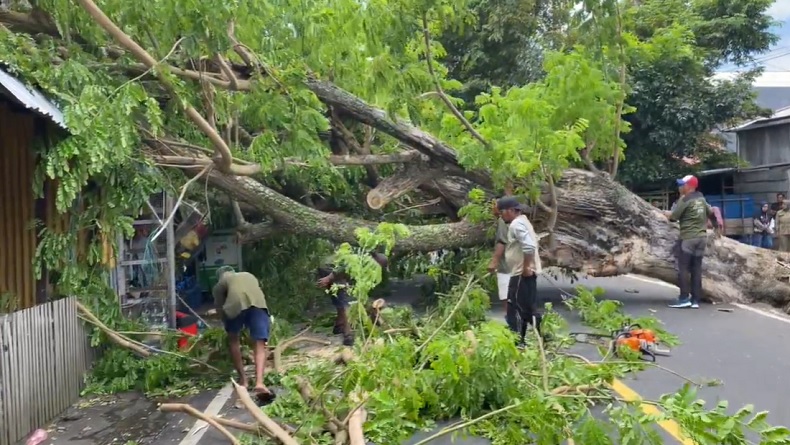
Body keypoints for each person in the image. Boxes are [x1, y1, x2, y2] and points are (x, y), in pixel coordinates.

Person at [212, 266, 273, 399]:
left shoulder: (219, 284)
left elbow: (220, 308)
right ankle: (259, 382)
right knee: (260, 343)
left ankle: (243, 381)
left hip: (235, 304)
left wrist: (227, 325)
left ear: (220, 275)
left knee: (233, 339)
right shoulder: (248, 274)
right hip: (258, 304)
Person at [664, 175, 719, 309]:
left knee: (683, 268)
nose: (679, 187)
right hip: (702, 238)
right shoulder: (701, 198)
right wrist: (716, 227)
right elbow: (711, 212)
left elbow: (674, 217)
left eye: (682, 184)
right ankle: (695, 300)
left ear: (688, 187)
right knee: (696, 269)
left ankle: (683, 298)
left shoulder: (685, 199)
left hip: (688, 238)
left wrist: (665, 213)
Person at [497, 197, 543, 347]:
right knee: (527, 307)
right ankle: (540, 334)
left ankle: (517, 341)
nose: (501, 216)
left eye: (502, 212)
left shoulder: (516, 225)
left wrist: (526, 267)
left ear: (510, 210)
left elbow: (529, 247)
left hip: (521, 273)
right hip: (526, 273)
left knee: (514, 307)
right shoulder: (524, 221)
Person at [317, 251, 388, 346]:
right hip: (330, 267)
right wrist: (329, 278)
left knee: (339, 298)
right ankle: (348, 335)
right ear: (376, 262)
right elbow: (342, 267)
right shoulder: (362, 260)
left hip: (331, 268)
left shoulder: (368, 264)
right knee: (345, 302)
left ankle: (339, 326)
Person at [487, 199, 515, 331]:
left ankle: (513, 325)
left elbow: (501, 243)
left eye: (494, 206)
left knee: (506, 298)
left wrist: (493, 262)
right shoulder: (512, 220)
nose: (492, 208)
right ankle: (515, 323)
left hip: (505, 267)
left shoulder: (502, 221)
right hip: (515, 265)